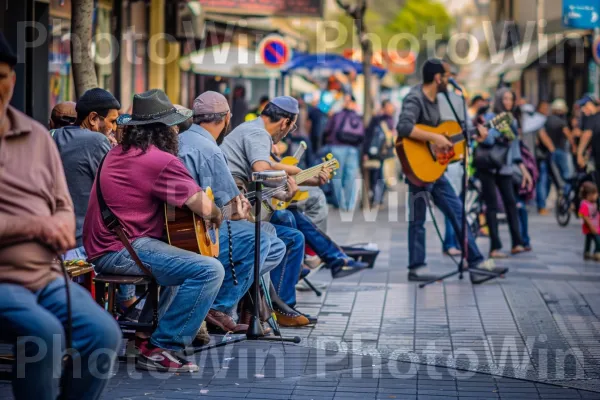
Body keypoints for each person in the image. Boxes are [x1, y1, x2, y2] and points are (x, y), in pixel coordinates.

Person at [0, 33, 121, 399]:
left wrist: (62, 226)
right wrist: (35, 226)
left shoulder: (38, 137)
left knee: (104, 334)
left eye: (2, 74)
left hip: (46, 275)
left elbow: (63, 202)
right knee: (43, 333)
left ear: (13, 78)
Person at [84, 89, 225, 372]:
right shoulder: (160, 162)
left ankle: (144, 335)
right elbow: (206, 209)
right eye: (172, 124)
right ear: (164, 130)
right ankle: (163, 346)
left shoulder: (116, 153)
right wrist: (218, 215)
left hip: (102, 246)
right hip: (121, 250)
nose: (176, 130)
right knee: (210, 270)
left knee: (181, 254)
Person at [177, 92, 306, 328]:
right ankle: (219, 305)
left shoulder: (182, 140)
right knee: (266, 242)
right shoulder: (211, 149)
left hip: (181, 226)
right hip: (198, 232)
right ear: (226, 118)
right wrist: (240, 210)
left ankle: (249, 307)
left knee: (267, 232)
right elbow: (231, 207)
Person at [221, 96, 368, 292]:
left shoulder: (251, 128)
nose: (290, 132)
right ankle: (306, 274)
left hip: (243, 200)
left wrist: (311, 178)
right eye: (292, 127)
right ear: (285, 122)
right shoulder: (258, 133)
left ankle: (320, 265)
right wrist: (297, 175)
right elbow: (262, 170)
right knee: (290, 224)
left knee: (291, 219)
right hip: (234, 209)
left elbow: (270, 171)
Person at [395, 58, 506, 283]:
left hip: (436, 169)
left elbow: (448, 132)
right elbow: (404, 127)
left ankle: (475, 264)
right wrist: (435, 137)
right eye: (446, 76)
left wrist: (476, 132)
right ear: (437, 78)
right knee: (418, 220)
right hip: (418, 168)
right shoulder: (415, 97)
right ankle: (416, 267)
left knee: (457, 212)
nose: (449, 80)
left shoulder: (440, 98)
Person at [323, 94, 365, 211]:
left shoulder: (337, 115)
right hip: (352, 148)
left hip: (336, 147)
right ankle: (349, 205)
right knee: (350, 177)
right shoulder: (357, 116)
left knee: (337, 177)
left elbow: (327, 130)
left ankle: (340, 204)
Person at [537, 99, 573, 211]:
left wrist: (550, 147)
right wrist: (574, 146)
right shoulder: (562, 121)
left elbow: (541, 136)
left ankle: (542, 205)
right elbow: (568, 135)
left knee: (546, 178)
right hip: (560, 152)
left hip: (549, 153)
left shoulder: (546, 120)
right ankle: (566, 201)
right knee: (566, 176)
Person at [363, 99, 396, 208]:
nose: (390, 108)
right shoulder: (377, 120)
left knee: (385, 178)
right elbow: (368, 136)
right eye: (388, 106)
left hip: (388, 154)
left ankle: (378, 199)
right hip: (377, 153)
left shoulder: (392, 120)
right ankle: (376, 199)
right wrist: (365, 152)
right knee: (377, 177)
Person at [576, 94, 600, 185]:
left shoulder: (592, 118)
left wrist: (579, 154)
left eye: (585, 105)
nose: (583, 109)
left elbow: (587, 135)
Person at [579, 182, 600, 260]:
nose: (597, 195)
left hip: (595, 226)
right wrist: (591, 226)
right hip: (590, 226)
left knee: (589, 239)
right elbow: (584, 215)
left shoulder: (593, 203)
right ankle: (597, 252)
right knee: (597, 240)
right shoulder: (585, 204)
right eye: (595, 194)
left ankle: (587, 252)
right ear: (589, 195)